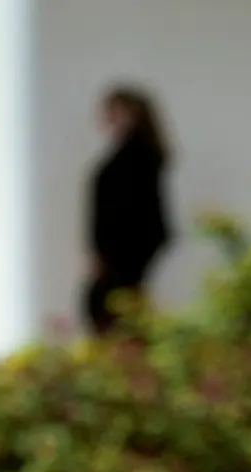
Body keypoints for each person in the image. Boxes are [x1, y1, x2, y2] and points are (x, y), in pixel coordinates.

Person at [85, 87, 172, 335]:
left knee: (116, 313)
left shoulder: (139, 158)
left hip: (125, 253)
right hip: (117, 253)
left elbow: (137, 214)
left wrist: (110, 252)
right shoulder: (131, 155)